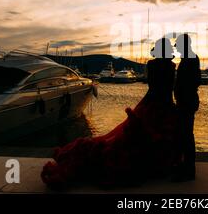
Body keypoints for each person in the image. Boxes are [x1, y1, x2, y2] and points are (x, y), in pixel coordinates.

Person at [41, 38, 178, 189]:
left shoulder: (152, 65)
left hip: (151, 103)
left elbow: (153, 87)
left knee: (124, 138)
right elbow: (168, 88)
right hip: (164, 105)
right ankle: (157, 164)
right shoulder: (171, 66)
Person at [173, 34, 201, 181]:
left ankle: (189, 170)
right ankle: (186, 166)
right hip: (185, 101)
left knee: (186, 136)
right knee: (184, 135)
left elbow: (195, 81)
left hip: (187, 102)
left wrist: (182, 95)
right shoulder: (188, 59)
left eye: (177, 44)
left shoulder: (190, 59)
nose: (176, 47)